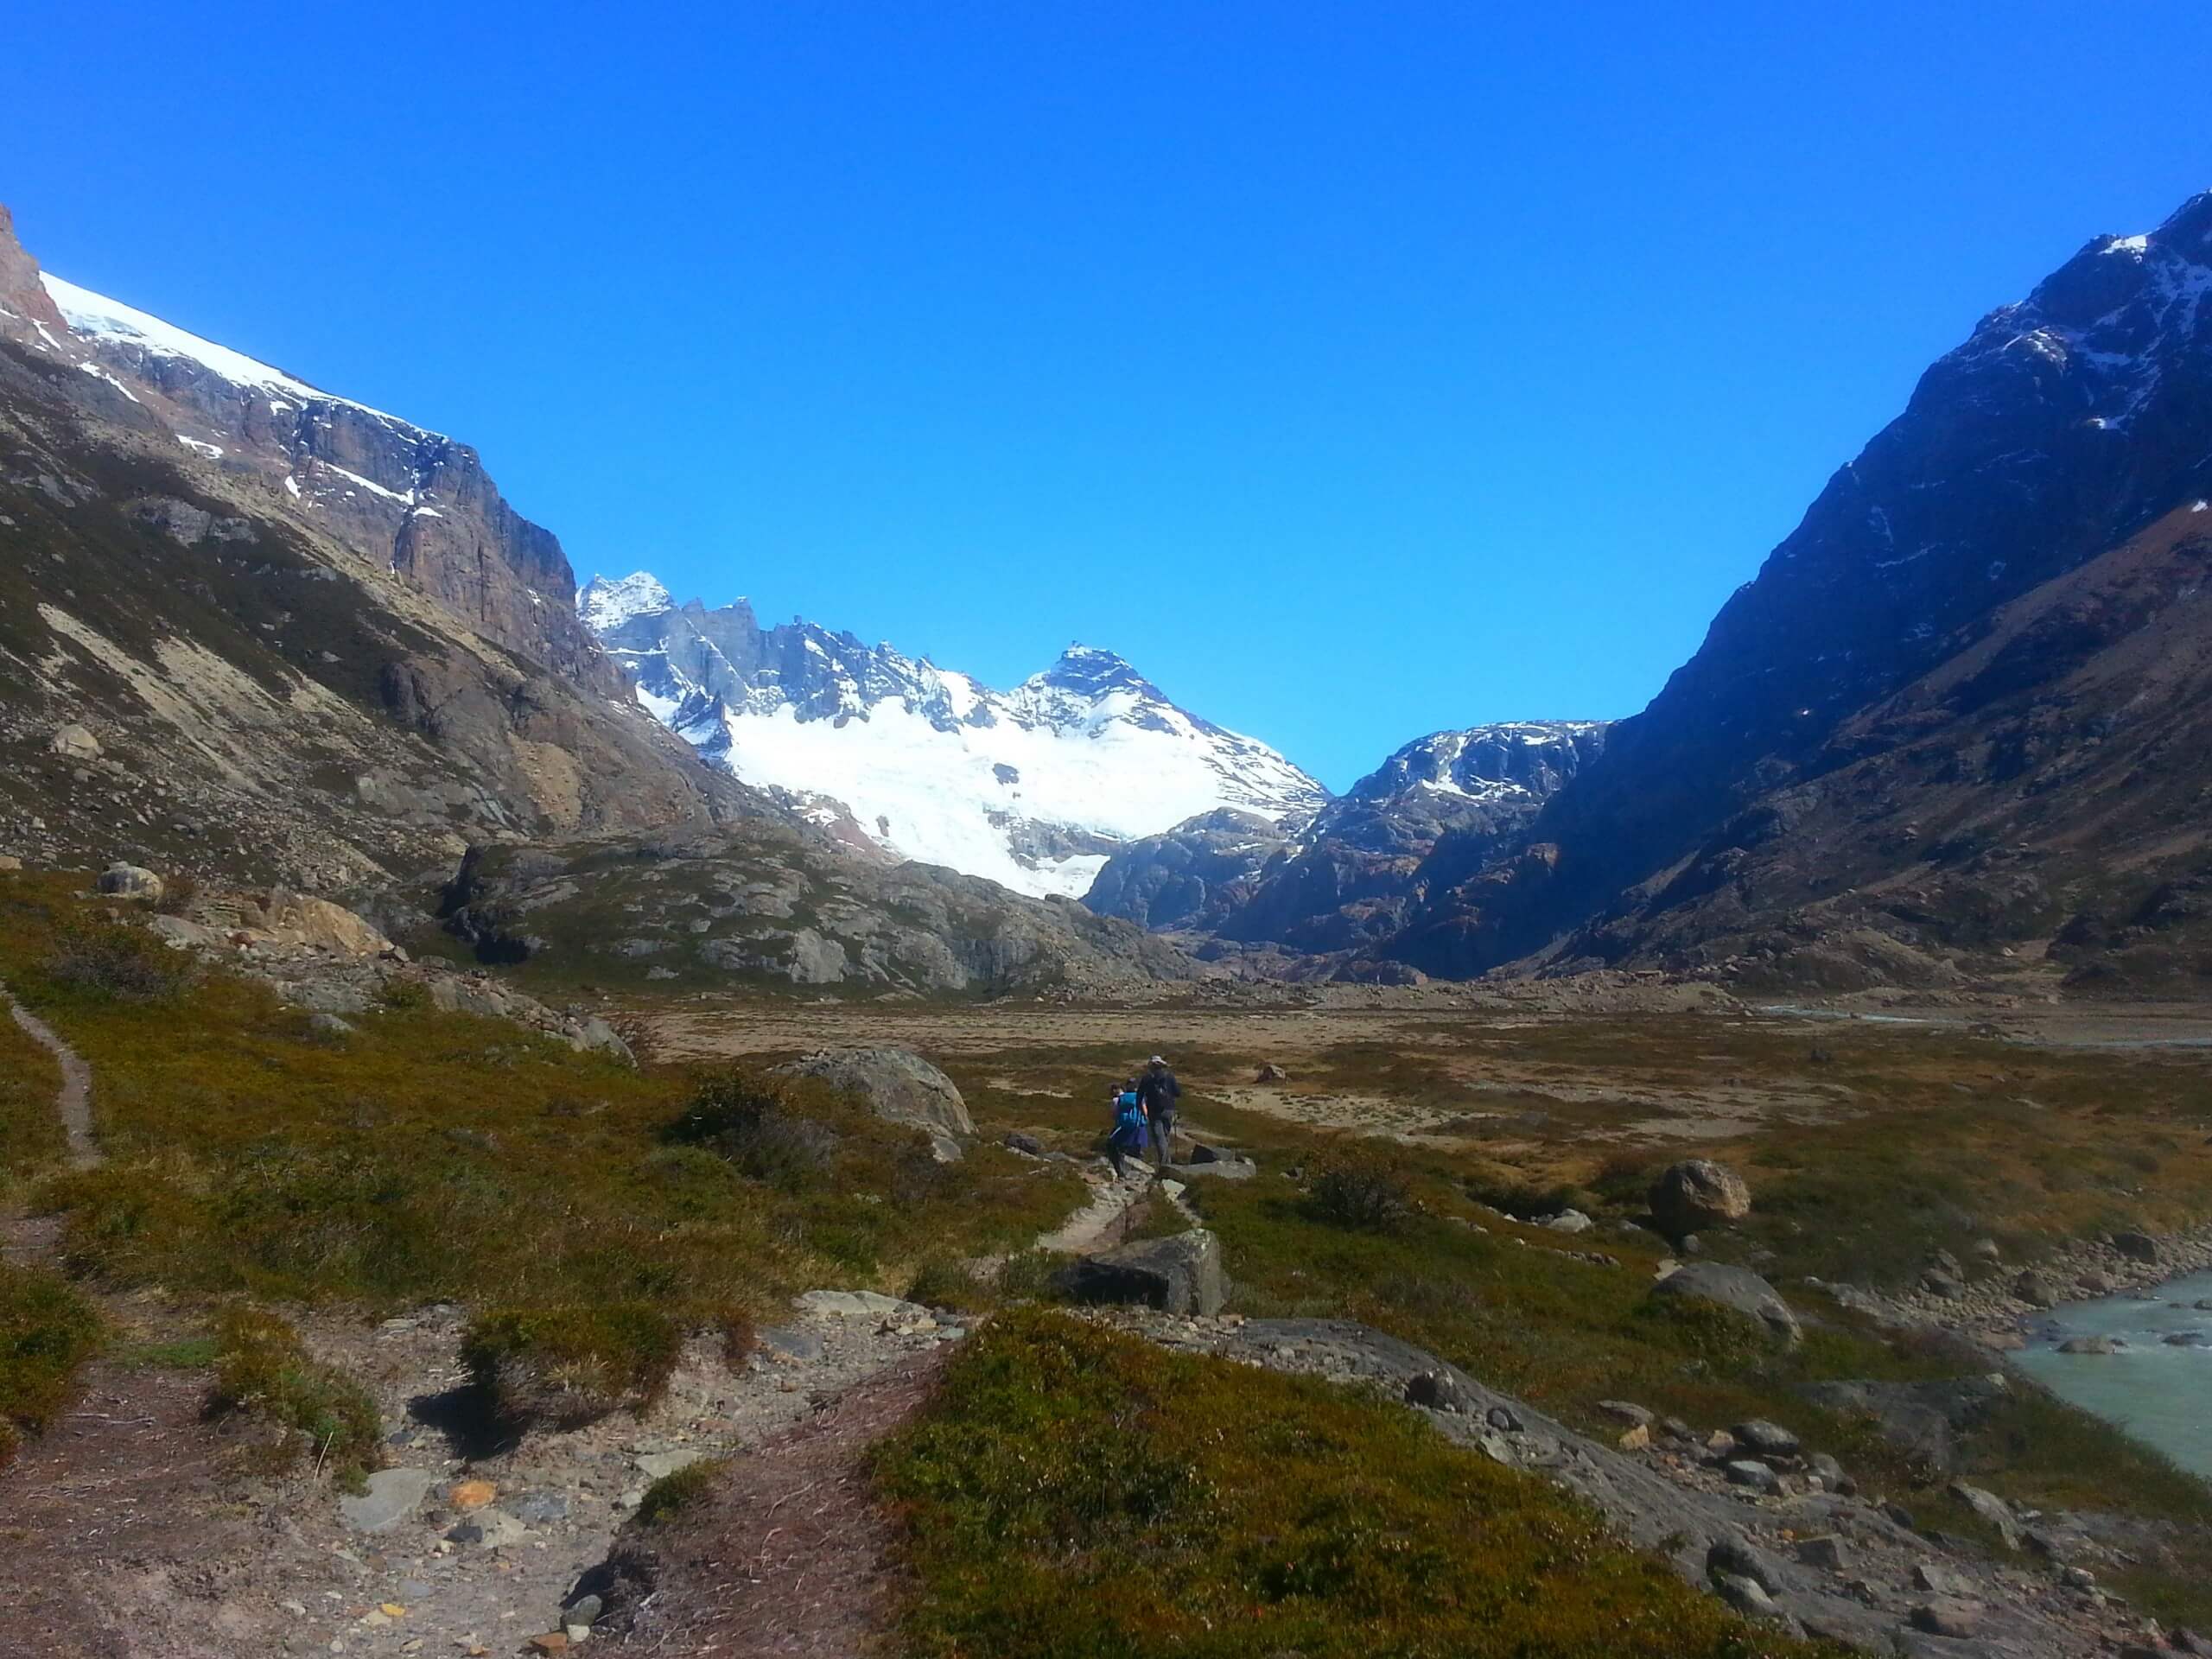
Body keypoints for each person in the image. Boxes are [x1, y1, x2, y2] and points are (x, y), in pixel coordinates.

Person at [1138, 1054, 1181, 1169]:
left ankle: (1164, 1166)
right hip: (1169, 1109)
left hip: (1154, 1111)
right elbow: (1178, 1093)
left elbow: (1140, 1095)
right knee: (1165, 1136)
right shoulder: (1169, 1076)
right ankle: (1168, 1163)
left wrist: (1141, 1109)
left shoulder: (1146, 1078)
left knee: (1159, 1138)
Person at [1106, 1077, 1147, 1179]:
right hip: (1137, 1126)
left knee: (1114, 1145)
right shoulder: (1139, 1097)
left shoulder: (1121, 1099)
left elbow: (1115, 1114)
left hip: (1124, 1126)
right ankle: (1137, 1170)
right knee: (1137, 1147)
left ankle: (1120, 1169)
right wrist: (1145, 1120)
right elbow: (1145, 1112)